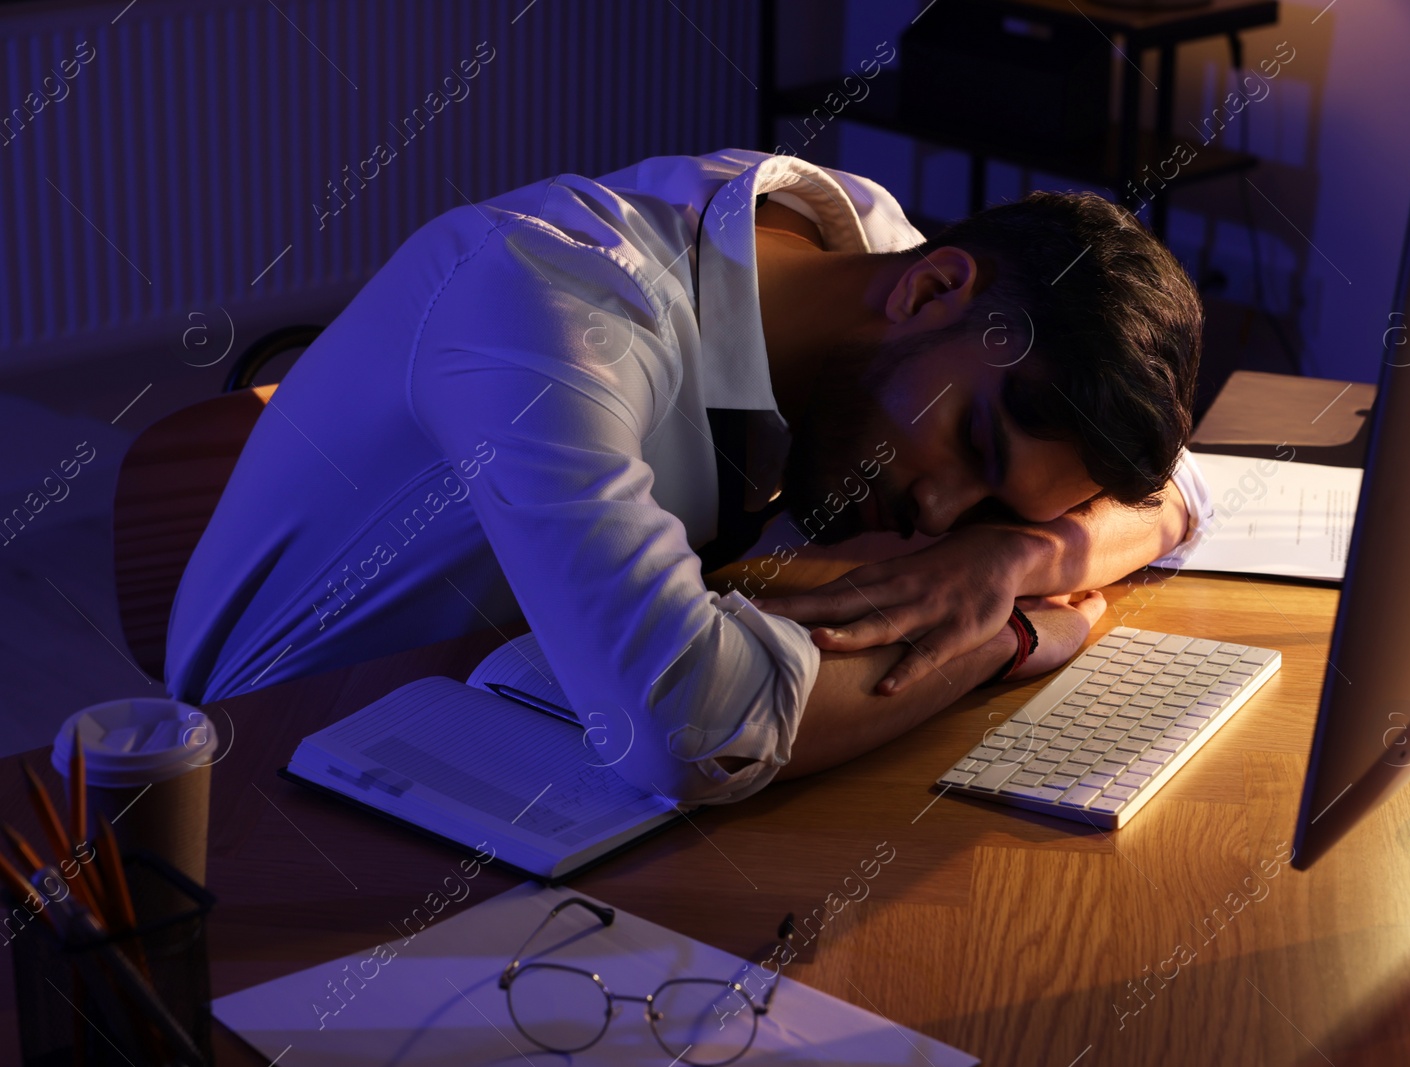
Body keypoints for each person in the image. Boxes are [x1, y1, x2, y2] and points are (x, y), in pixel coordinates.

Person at [164, 147, 1212, 805]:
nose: (938, 512)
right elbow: (686, 730)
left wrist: (1017, 550)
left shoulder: (871, 263)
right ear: (935, 288)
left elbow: (1185, 492)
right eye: (975, 450)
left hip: (535, 739)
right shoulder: (548, 307)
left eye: (983, 506)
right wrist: (1013, 630)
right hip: (283, 788)